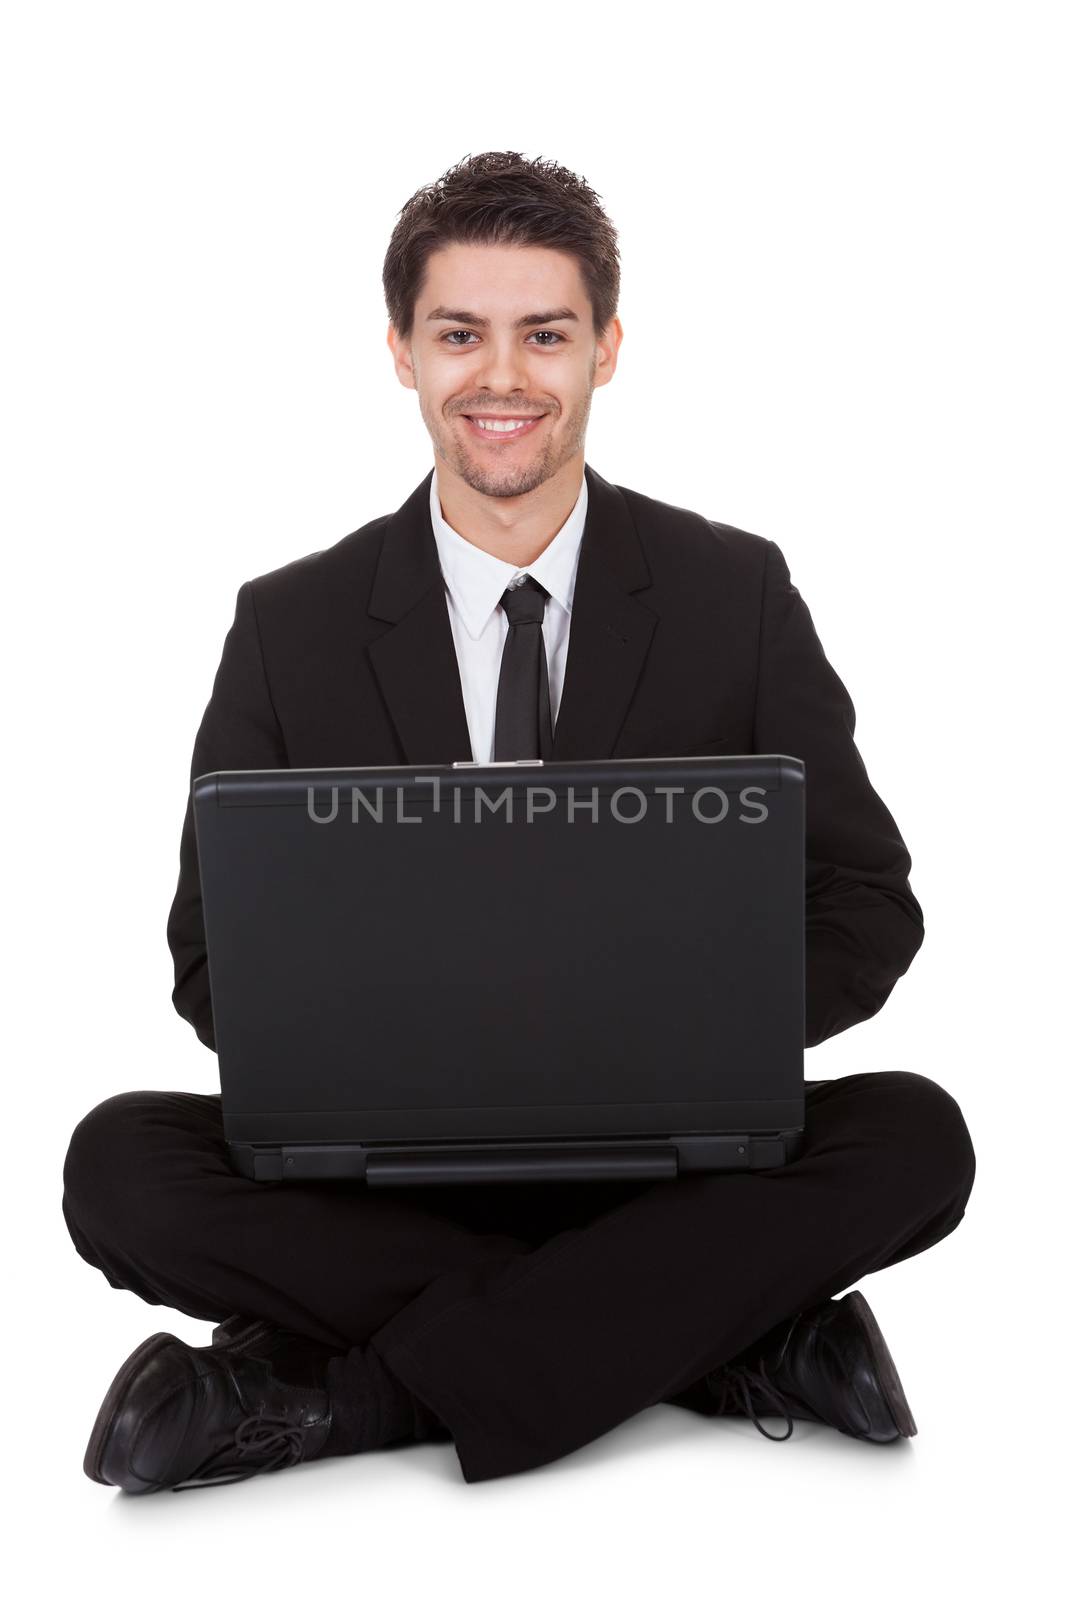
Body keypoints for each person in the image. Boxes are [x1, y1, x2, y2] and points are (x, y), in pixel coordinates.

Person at [62, 150, 976, 1495]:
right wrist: (404, 1042)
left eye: (544, 334)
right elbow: (212, 960)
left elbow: (863, 898)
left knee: (919, 1137)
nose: (503, 377)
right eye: (460, 334)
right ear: (402, 353)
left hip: (662, 1156)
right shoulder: (290, 624)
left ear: (606, 349)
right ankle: (723, 1340)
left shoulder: (734, 595)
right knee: (119, 1165)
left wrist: (685, 1028)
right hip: (390, 1176)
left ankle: (332, 1402)